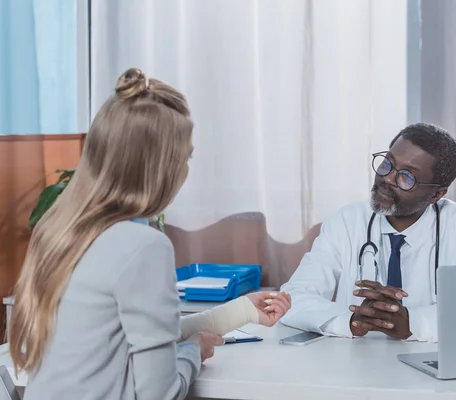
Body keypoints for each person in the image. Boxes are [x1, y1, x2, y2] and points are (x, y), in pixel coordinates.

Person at [9, 68, 291, 400]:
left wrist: (240, 311)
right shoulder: (142, 246)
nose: (186, 170)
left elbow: (132, 339)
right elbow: (159, 393)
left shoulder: (62, 231)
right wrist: (191, 354)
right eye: (186, 157)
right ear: (159, 169)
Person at [280, 123, 456, 342]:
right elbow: (293, 299)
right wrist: (350, 321)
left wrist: (413, 323)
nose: (387, 179)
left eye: (406, 177)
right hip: (355, 362)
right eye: (387, 164)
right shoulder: (346, 222)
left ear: (436, 194)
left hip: (433, 363)